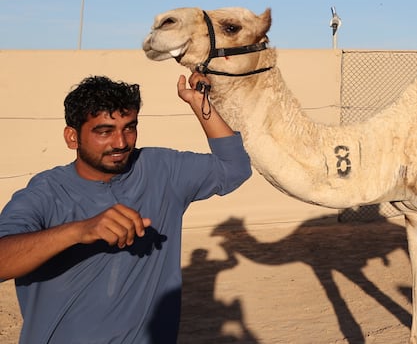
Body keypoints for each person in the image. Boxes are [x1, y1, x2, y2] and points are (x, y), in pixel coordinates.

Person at [0, 73, 252, 343]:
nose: (121, 143)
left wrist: (200, 104)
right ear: (72, 137)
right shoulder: (47, 192)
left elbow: (234, 168)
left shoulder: (161, 170)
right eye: (105, 132)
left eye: (129, 128)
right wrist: (79, 231)